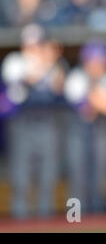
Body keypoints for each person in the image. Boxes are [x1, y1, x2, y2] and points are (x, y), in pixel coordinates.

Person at [1, 23, 66, 218]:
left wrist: (52, 62)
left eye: (37, 44)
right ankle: (20, 221)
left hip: (47, 121)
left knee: (48, 175)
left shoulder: (54, 64)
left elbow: (59, 87)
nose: (33, 48)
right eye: (29, 44)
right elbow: (27, 79)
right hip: (22, 122)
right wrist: (48, 62)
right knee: (21, 176)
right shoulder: (14, 61)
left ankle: (45, 222)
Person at [64, 39, 106, 213]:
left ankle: (98, 217)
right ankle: (74, 219)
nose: (100, 65)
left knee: (101, 176)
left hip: (103, 131)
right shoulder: (76, 77)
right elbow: (86, 111)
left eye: (103, 61)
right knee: (77, 177)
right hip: (78, 131)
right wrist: (101, 99)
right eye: (96, 60)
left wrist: (96, 98)